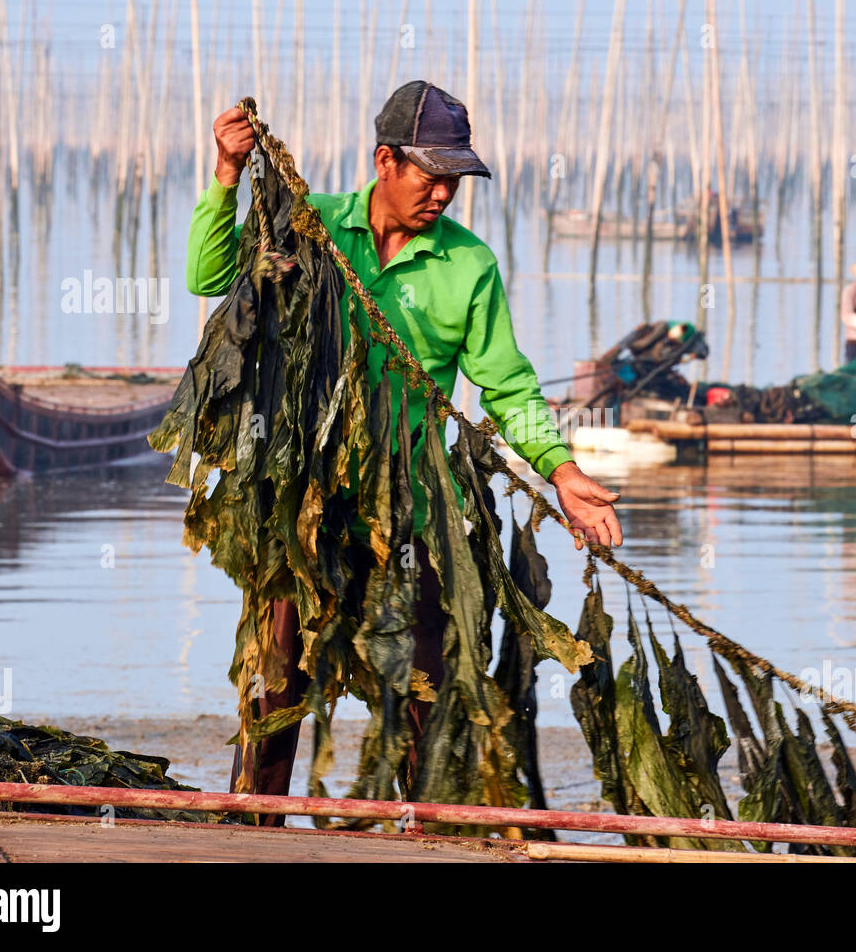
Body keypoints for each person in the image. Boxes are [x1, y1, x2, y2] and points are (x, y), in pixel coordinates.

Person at [185, 80, 623, 814]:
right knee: (274, 693)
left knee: (429, 700)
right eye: (433, 174)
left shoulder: (468, 266)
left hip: (417, 518)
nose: (446, 193)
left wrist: (565, 473)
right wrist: (228, 176)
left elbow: (509, 388)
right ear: (385, 160)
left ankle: (431, 840)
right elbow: (211, 275)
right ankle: (249, 831)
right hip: (303, 515)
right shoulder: (309, 227)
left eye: (456, 179)